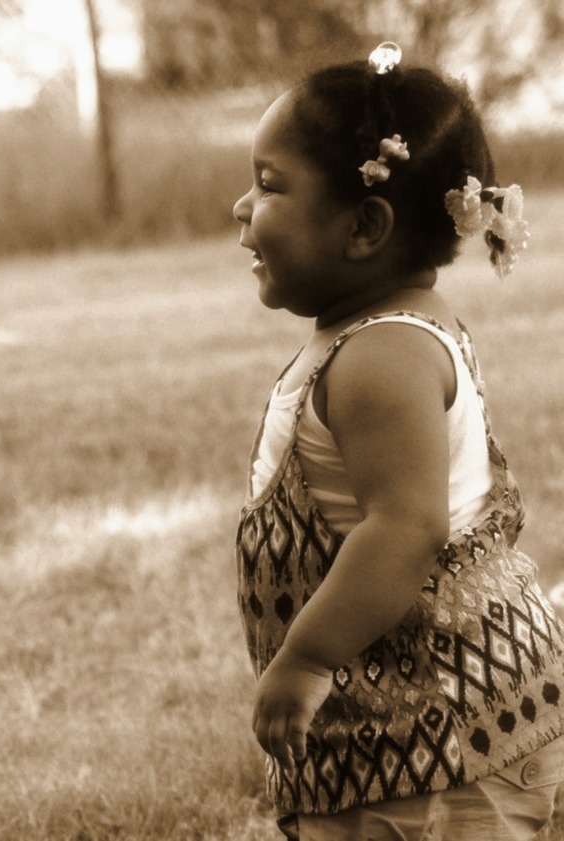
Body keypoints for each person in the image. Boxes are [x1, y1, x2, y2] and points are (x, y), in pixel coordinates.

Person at [232, 42, 564, 840]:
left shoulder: (381, 356)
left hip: (440, 744)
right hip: (435, 727)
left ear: (365, 226)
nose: (242, 206)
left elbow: (407, 527)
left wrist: (308, 658)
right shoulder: (393, 327)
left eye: (269, 184)